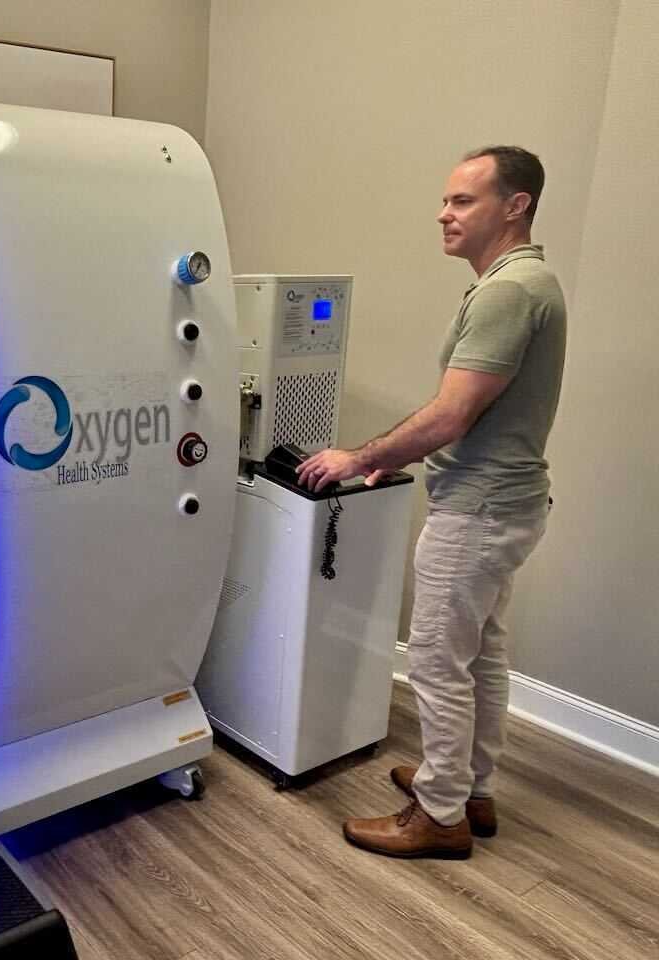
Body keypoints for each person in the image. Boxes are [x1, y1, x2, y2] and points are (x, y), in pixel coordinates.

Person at [297, 146, 566, 859]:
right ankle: (471, 787)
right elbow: (474, 415)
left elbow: (450, 415)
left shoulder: (510, 291)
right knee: (480, 656)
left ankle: (439, 812)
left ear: (516, 206)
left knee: (437, 662)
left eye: (463, 201)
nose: (444, 214)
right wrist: (396, 459)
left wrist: (360, 456)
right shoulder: (525, 283)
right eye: (445, 201)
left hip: (478, 510)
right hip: (508, 502)